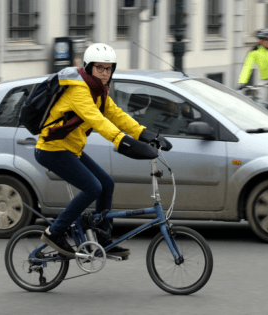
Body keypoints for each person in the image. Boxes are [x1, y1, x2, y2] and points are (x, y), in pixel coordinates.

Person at [34, 43, 172, 258]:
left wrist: (146, 134)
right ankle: (55, 232)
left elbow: (116, 115)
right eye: (100, 68)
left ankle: (102, 240)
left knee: (106, 184)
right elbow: (98, 121)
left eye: (109, 69)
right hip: (51, 149)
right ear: (89, 68)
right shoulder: (79, 90)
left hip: (71, 149)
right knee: (93, 187)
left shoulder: (98, 91)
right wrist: (122, 141)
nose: (105, 73)